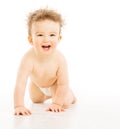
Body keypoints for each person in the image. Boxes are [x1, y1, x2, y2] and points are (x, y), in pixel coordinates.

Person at [14, 7, 76, 115]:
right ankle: (48, 95)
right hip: (37, 85)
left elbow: (63, 84)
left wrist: (57, 103)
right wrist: (18, 106)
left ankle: (71, 96)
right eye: (40, 35)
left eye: (52, 35)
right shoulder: (28, 59)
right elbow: (20, 83)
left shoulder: (60, 59)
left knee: (64, 102)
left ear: (59, 38)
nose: (46, 39)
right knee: (36, 101)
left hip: (54, 84)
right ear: (30, 39)